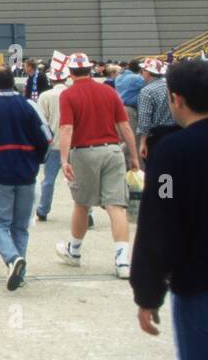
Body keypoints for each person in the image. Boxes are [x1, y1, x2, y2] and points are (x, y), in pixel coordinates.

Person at [130, 58, 208, 360]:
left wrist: (147, 292)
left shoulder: (172, 154)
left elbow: (160, 218)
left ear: (177, 99)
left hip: (202, 284)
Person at [54, 52, 141, 279]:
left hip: (84, 152)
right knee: (116, 206)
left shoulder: (68, 94)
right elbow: (125, 127)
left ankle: (74, 251)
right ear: (91, 69)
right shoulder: (109, 92)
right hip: (113, 150)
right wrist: (133, 156)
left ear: (71, 72)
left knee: (82, 203)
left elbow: (66, 129)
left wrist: (64, 159)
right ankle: (122, 260)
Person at [0, 67, 51, 291]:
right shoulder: (29, 106)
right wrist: (37, 160)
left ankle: (11, 258)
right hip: (26, 171)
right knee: (20, 226)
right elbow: (45, 137)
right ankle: (20, 271)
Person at [35, 67, 72, 221]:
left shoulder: (45, 96)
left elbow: (40, 121)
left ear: (51, 80)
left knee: (48, 179)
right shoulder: (72, 93)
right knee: (77, 179)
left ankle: (43, 209)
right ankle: (87, 211)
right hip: (73, 142)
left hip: (53, 142)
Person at [134, 58, 175, 156]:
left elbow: (144, 120)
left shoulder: (147, 91)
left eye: (142, 71)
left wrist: (143, 142)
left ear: (147, 72)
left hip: (157, 135)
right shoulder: (171, 85)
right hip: (176, 131)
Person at [115, 61, 145, 133]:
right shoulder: (137, 78)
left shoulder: (118, 77)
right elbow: (148, 86)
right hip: (131, 109)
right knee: (134, 136)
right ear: (140, 69)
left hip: (120, 107)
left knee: (123, 135)